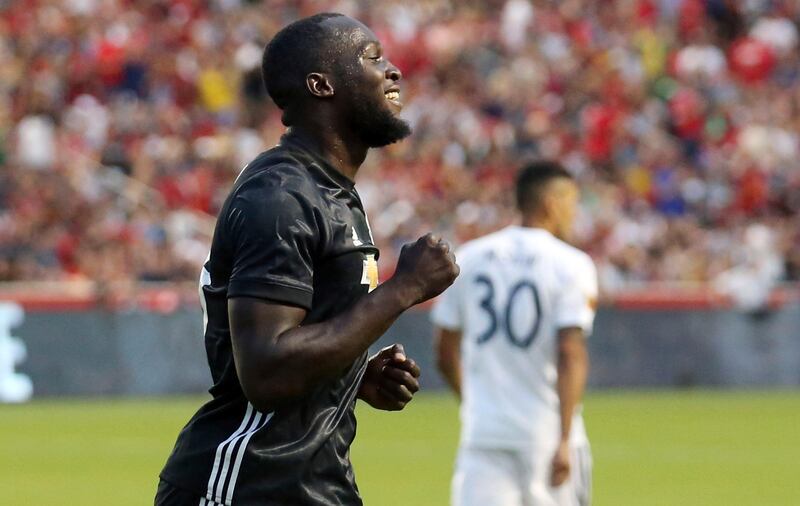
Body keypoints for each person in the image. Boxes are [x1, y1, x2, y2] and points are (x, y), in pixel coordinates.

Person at [156, 13, 459, 506]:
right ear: (322, 85)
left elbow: (296, 339)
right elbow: (266, 371)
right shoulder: (281, 196)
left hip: (314, 482)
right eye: (372, 57)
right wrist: (404, 290)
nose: (393, 70)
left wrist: (353, 375)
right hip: (247, 482)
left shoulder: (330, 191)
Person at [432, 161, 597, 506]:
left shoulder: (470, 258)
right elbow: (570, 353)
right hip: (546, 435)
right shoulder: (571, 264)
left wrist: (473, 405)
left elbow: (445, 354)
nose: (574, 212)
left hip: (485, 436)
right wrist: (566, 438)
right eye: (571, 201)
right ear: (552, 202)